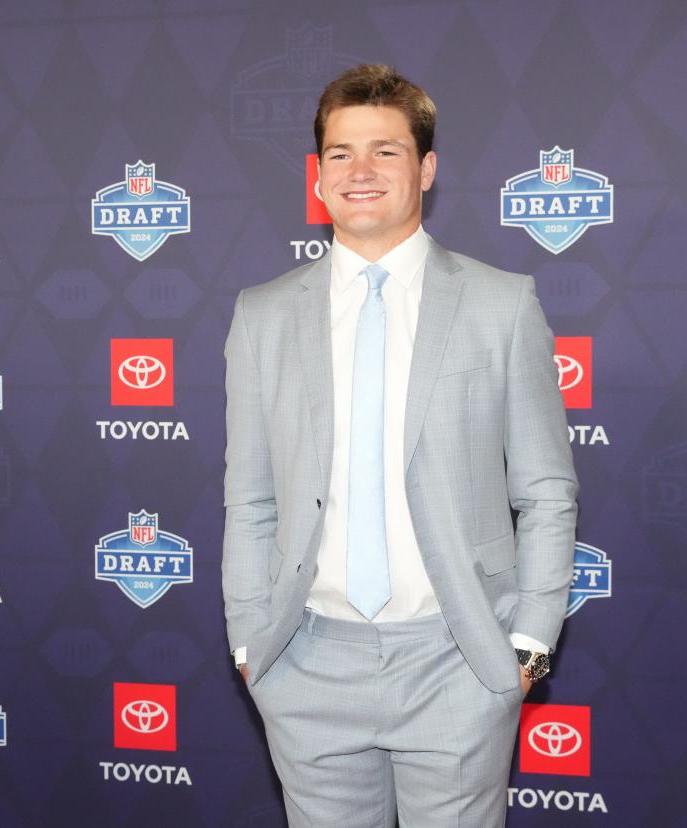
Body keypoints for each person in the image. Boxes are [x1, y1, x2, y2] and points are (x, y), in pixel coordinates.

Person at [222, 63, 578, 827]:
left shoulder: (501, 305)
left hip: (459, 659)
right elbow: (250, 496)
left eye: (386, 150)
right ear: (317, 177)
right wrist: (251, 639)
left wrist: (528, 645)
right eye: (342, 153)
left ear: (426, 167)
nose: (361, 171)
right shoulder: (263, 315)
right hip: (305, 663)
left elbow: (546, 490)